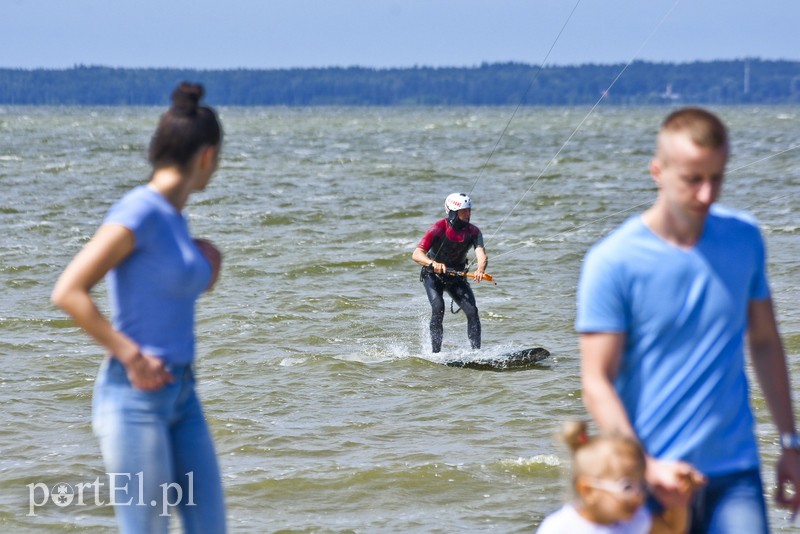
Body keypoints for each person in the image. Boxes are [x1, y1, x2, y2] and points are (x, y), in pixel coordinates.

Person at [576, 107, 800, 533]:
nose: (706, 194)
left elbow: (766, 342)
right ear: (657, 171)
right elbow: (596, 381)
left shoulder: (744, 238)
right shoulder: (612, 261)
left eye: (717, 178)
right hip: (650, 480)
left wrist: (791, 444)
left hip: (734, 471)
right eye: (693, 179)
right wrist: (646, 464)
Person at [51, 82, 226, 533]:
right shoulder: (140, 210)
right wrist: (130, 355)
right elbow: (69, 290)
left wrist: (207, 266)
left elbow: (163, 289)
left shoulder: (174, 218)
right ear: (206, 156)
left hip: (183, 394)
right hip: (134, 398)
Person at [537, 421, 690, 534]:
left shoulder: (635, 521)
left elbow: (672, 530)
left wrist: (678, 498)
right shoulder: (559, 528)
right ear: (588, 490)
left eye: (642, 486)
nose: (639, 496)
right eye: (627, 487)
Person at [412, 192, 488, 353]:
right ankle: (435, 354)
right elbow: (417, 254)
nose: (468, 214)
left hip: (457, 277)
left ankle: (477, 354)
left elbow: (481, 253)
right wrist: (433, 263)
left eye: (469, 210)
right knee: (439, 307)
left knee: (472, 311)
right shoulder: (438, 228)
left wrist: (480, 269)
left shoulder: (474, 231)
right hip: (433, 276)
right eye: (463, 211)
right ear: (452, 212)